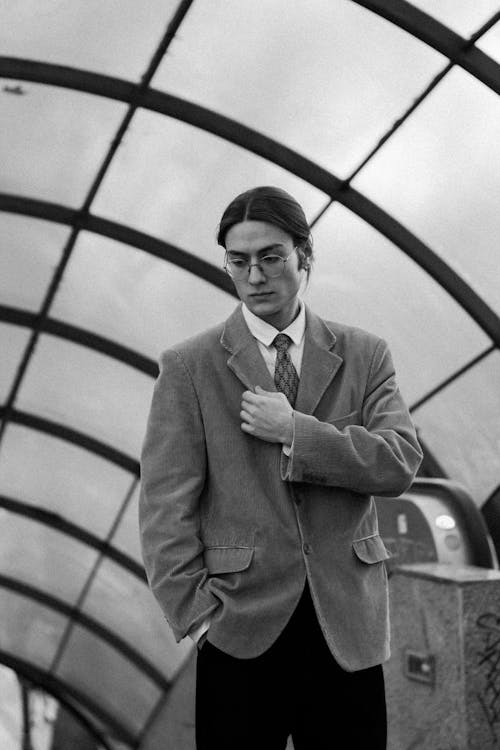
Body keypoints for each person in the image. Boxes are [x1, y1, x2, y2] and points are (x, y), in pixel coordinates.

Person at [139, 186, 423, 749]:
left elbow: (399, 462)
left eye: (271, 257)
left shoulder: (365, 355)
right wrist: (198, 618)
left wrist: (297, 431)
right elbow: (165, 508)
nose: (255, 276)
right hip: (239, 629)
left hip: (348, 628)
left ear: (304, 256)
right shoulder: (189, 368)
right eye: (238, 261)